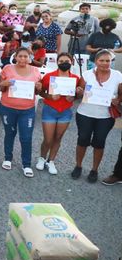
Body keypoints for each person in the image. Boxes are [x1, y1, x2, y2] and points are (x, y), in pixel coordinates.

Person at [72, 49, 122, 183]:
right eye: (102, 60)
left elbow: (121, 94)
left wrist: (118, 100)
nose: (105, 63)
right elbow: (78, 95)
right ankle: (78, 165)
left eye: (108, 61)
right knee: (82, 140)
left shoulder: (117, 75)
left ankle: (94, 170)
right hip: (85, 113)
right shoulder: (87, 74)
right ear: (95, 61)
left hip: (105, 116)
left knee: (99, 142)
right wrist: (79, 91)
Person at [0, 48, 42, 177]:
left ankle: (26, 164)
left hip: (27, 110)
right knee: (9, 133)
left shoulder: (35, 71)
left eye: (25, 56)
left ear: (30, 58)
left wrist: (39, 88)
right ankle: (7, 158)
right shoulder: (7, 68)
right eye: (20, 56)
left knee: (26, 137)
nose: (23, 59)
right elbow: (0, 87)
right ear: (15, 57)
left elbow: (37, 92)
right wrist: (4, 83)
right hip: (8, 107)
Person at [37, 53, 82, 175]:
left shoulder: (76, 78)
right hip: (50, 109)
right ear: (57, 62)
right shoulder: (49, 76)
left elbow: (78, 95)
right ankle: (41, 158)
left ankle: (51, 161)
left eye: (66, 61)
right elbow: (40, 91)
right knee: (48, 139)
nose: (64, 63)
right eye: (61, 61)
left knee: (58, 138)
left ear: (72, 62)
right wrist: (50, 97)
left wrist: (74, 97)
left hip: (65, 112)